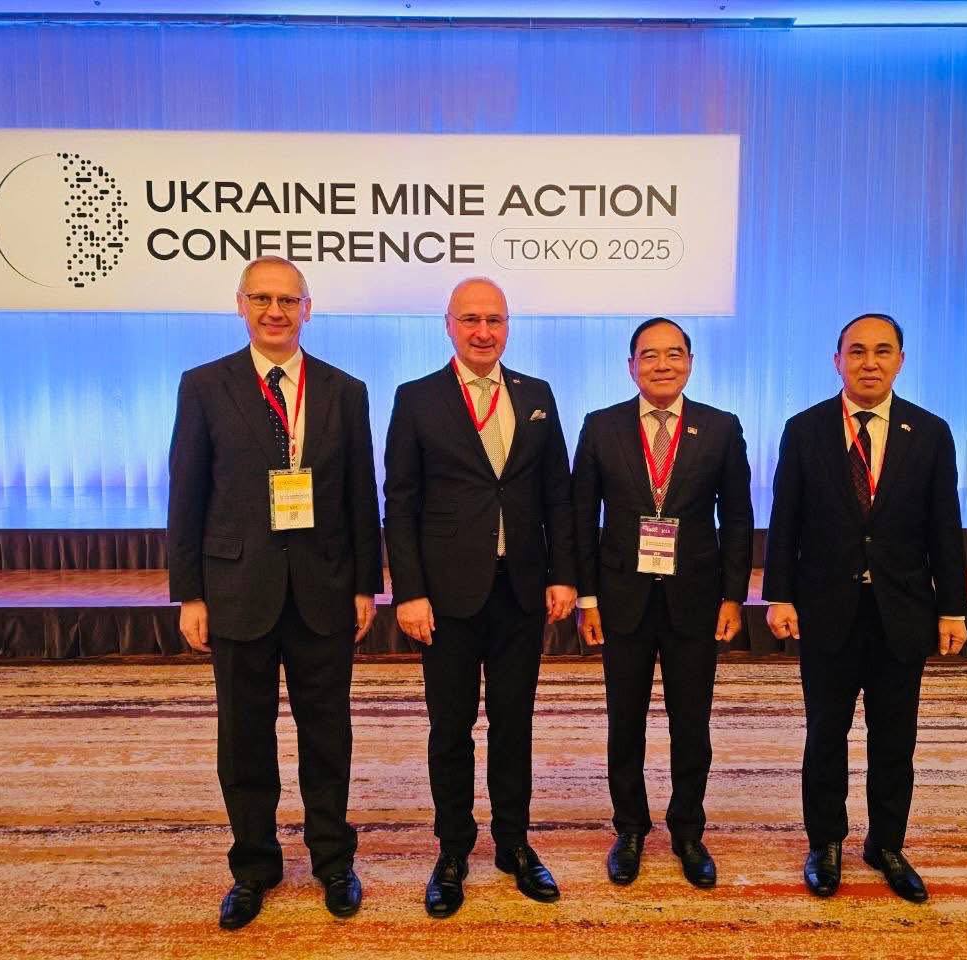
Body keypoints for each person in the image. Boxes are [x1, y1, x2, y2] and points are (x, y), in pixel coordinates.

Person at [168, 255, 383, 928]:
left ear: (307, 310)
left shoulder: (346, 390)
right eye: (261, 298)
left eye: (288, 300)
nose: (275, 311)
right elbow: (187, 493)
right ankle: (254, 866)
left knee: (328, 735)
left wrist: (366, 585)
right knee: (244, 740)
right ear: (240, 305)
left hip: (324, 589)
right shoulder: (204, 386)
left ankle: (333, 861)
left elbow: (360, 495)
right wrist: (190, 593)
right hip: (237, 590)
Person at [383, 277, 578, 918]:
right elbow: (400, 503)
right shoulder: (416, 398)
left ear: (508, 326)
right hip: (446, 596)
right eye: (470, 319)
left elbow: (557, 495)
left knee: (514, 723)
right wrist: (409, 591)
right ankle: (452, 850)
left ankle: (514, 843)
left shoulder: (537, 394)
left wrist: (563, 574)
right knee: (451, 727)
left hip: (520, 590)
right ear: (449, 325)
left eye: (494, 319)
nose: (483, 331)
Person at [762, 313, 967, 904]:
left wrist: (952, 608)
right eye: (857, 351)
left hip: (902, 613)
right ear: (838, 361)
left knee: (895, 738)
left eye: (882, 351)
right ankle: (825, 842)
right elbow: (785, 520)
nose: (869, 362)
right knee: (826, 733)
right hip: (826, 609)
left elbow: (944, 528)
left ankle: (887, 844)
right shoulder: (804, 429)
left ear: (901, 360)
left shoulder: (930, 432)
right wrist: (779, 595)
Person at [571, 317, 752, 889]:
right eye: (649, 355)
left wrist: (733, 595)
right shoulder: (600, 426)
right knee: (624, 721)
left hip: (694, 599)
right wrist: (587, 598)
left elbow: (738, 518)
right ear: (631, 366)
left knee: (691, 722)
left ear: (690, 363)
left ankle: (688, 830)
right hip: (621, 598)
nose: (662, 365)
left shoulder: (720, 428)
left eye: (674, 354)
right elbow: (581, 520)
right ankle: (629, 828)